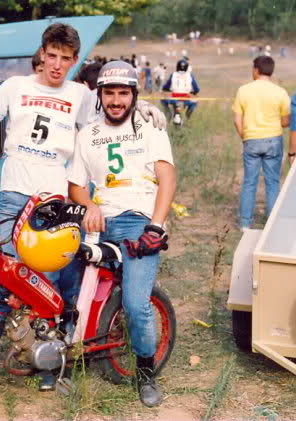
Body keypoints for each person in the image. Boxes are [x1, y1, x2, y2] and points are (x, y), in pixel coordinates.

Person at [0, 23, 166, 391]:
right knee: (1, 277)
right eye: (52, 56)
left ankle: (53, 360)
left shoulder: (79, 93)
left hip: (57, 201)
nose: (57, 65)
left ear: (75, 61)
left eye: (65, 59)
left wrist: (144, 107)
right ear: (41, 54)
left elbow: (114, 106)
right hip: (15, 195)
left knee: (60, 283)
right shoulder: (16, 86)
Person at [68, 60, 176, 408]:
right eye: (110, 93)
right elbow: (75, 186)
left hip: (137, 220)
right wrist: (89, 206)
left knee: (134, 303)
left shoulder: (151, 129)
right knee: (65, 285)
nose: (116, 100)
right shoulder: (87, 135)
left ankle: (145, 372)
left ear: (133, 96)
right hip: (99, 222)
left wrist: (156, 225)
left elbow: (167, 180)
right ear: (99, 95)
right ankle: (66, 357)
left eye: (123, 93)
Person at [232, 56, 290, 231]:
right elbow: (286, 121)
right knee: (272, 182)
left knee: (250, 182)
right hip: (273, 139)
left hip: (251, 139)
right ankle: (271, 223)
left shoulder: (243, 90)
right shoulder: (280, 92)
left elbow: (237, 120)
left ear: (256, 70)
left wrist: (245, 136)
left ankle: (245, 223)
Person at [161, 59, 200, 124]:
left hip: (174, 98)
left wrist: (166, 89)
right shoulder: (190, 75)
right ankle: (188, 116)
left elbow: (166, 86)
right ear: (186, 67)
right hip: (186, 99)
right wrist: (194, 92)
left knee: (163, 101)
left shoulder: (173, 74)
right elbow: (196, 88)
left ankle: (169, 115)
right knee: (194, 103)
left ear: (177, 66)